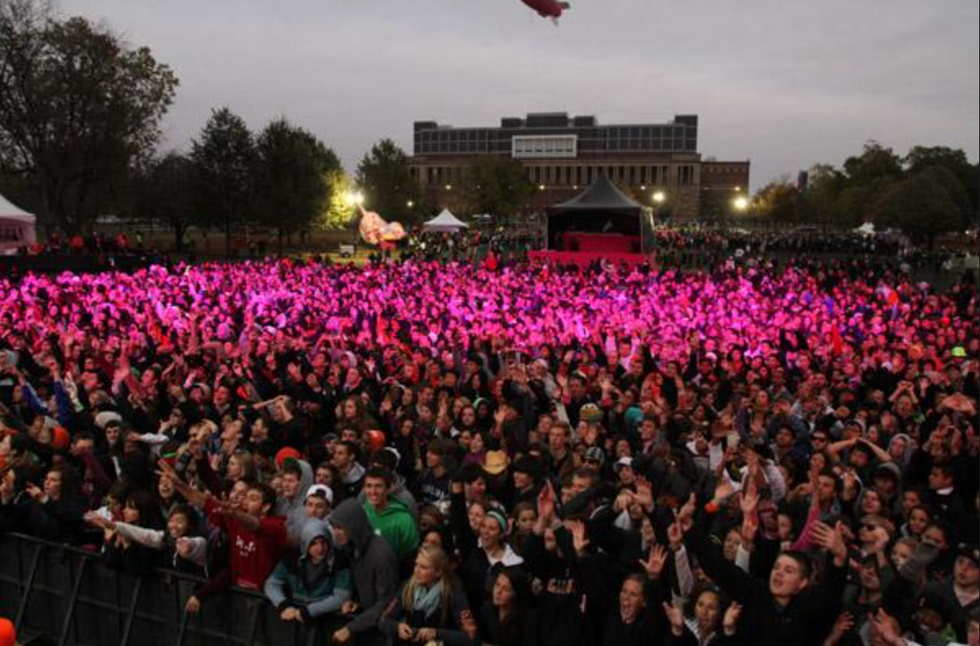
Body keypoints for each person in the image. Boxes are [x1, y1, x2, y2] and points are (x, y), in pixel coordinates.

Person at [328, 499, 399, 646]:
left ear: (354, 526)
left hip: (383, 632)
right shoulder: (352, 546)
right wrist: (357, 603)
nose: (336, 533)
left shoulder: (381, 554)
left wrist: (350, 628)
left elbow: (386, 602)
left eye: (340, 527)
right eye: (334, 527)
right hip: (367, 622)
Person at [378, 545, 476, 646]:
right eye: (416, 565)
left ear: (438, 572)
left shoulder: (454, 592)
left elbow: (470, 636)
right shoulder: (408, 587)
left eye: (424, 567)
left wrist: (436, 633)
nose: (416, 571)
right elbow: (383, 621)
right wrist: (397, 627)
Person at [264, 519, 353, 624]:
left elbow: (342, 596)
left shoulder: (340, 561)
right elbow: (272, 584)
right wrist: (283, 604)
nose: (320, 548)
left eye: (323, 542)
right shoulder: (291, 558)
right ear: (305, 543)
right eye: (313, 544)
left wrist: (310, 611)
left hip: (325, 620)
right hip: (293, 617)